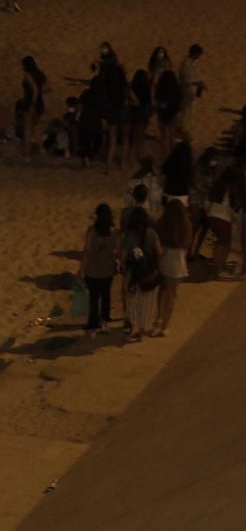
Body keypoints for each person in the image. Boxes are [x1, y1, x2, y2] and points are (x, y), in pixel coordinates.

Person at [77, 204, 119, 336]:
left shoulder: (92, 232)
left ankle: (93, 323)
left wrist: (81, 270)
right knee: (106, 296)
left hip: (93, 270)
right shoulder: (113, 232)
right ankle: (104, 320)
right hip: (107, 270)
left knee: (94, 297)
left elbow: (87, 252)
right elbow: (116, 251)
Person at [122, 206, 162, 341]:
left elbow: (123, 256)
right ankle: (142, 331)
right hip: (149, 271)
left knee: (132, 301)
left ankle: (134, 326)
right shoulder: (151, 233)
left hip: (134, 272)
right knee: (146, 302)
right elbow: (159, 252)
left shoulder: (129, 236)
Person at [153, 199, 191, 338]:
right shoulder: (187, 225)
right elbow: (187, 245)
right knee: (171, 295)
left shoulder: (162, 224)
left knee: (162, 291)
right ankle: (165, 326)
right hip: (178, 262)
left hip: (164, 258)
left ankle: (158, 318)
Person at [96, 42, 130, 174]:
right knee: (125, 138)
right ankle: (123, 164)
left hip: (112, 108)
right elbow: (127, 89)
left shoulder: (107, 81)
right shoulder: (120, 76)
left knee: (112, 138)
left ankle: (108, 166)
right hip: (122, 107)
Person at [17, 56, 47, 161]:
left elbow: (35, 90)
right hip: (40, 103)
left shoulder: (27, 74)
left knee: (27, 130)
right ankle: (42, 149)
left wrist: (32, 104)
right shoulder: (41, 74)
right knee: (34, 128)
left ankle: (27, 155)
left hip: (30, 102)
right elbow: (45, 89)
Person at [154, 65, 183, 160]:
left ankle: (163, 155)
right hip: (173, 115)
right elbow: (179, 104)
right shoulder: (177, 90)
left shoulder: (159, 89)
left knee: (162, 136)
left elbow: (158, 102)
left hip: (162, 115)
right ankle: (172, 156)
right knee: (172, 137)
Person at [177, 44, 205, 128]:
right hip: (186, 91)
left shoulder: (190, 62)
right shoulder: (186, 64)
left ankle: (183, 128)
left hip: (190, 91)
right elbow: (186, 81)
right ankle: (181, 129)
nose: (199, 57)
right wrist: (198, 83)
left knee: (188, 111)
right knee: (185, 111)